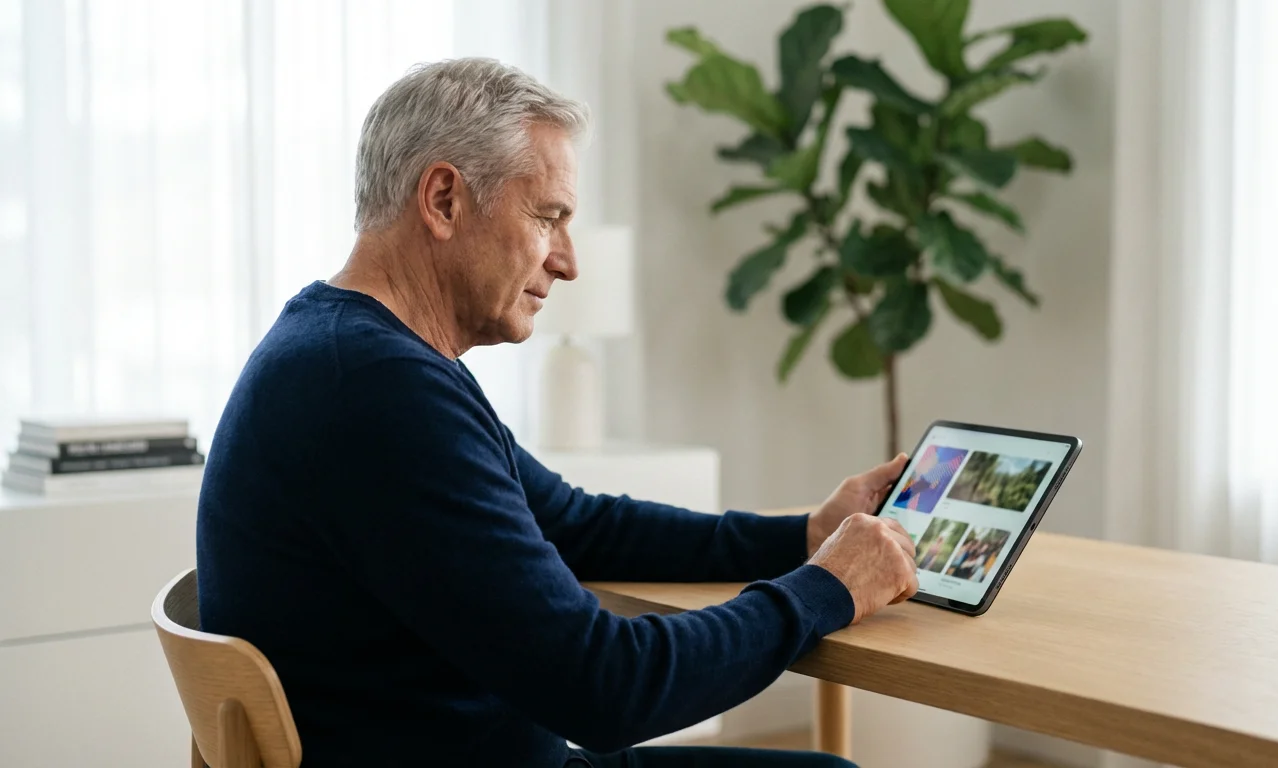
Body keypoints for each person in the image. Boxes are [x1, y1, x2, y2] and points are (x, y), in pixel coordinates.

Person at [196, 58, 920, 768]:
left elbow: (576, 523)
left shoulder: (355, 356)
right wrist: (826, 588)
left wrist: (802, 536)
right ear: (444, 200)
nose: (568, 261)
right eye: (548, 218)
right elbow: (607, 689)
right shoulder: (377, 391)